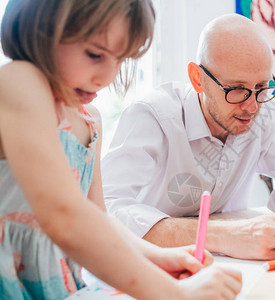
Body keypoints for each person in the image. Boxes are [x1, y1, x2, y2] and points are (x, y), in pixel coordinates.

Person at [0, 1, 242, 299]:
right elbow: (65, 217)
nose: (107, 76)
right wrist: (176, 294)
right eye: (94, 54)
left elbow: (98, 220)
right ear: (41, 30)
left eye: (121, 60)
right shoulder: (19, 80)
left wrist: (158, 258)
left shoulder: (91, 121)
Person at [102, 13, 275, 260]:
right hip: (147, 264)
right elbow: (107, 209)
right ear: (198, 78)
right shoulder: (152, 116)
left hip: (229, 264)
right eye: (237, 89)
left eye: (261, 87)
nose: (252, 107)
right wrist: (225, 235)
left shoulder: (264, 114)